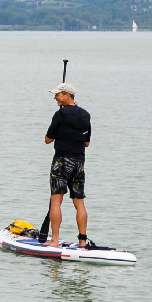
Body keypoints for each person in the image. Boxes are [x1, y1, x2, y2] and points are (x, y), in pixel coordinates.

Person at [41, 81, 94, 248]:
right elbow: (86, 143)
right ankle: (82, 241)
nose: (55, 97)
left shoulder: (60, 115)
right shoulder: (86, 114)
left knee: (56, 200)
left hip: (62, 161)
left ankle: (55, 240)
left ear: (68, 96)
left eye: (58, 94)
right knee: (79, 202)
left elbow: (47, 140)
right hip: (79, 162)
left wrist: (62, 132)